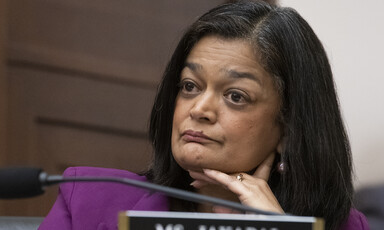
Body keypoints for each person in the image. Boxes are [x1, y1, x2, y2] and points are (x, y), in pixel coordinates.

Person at [39, 1, 369, 230]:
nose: (198, 110)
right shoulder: (89, 200)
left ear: (288, 127)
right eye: (190, 86)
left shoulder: (344, 226)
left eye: (235, 96)